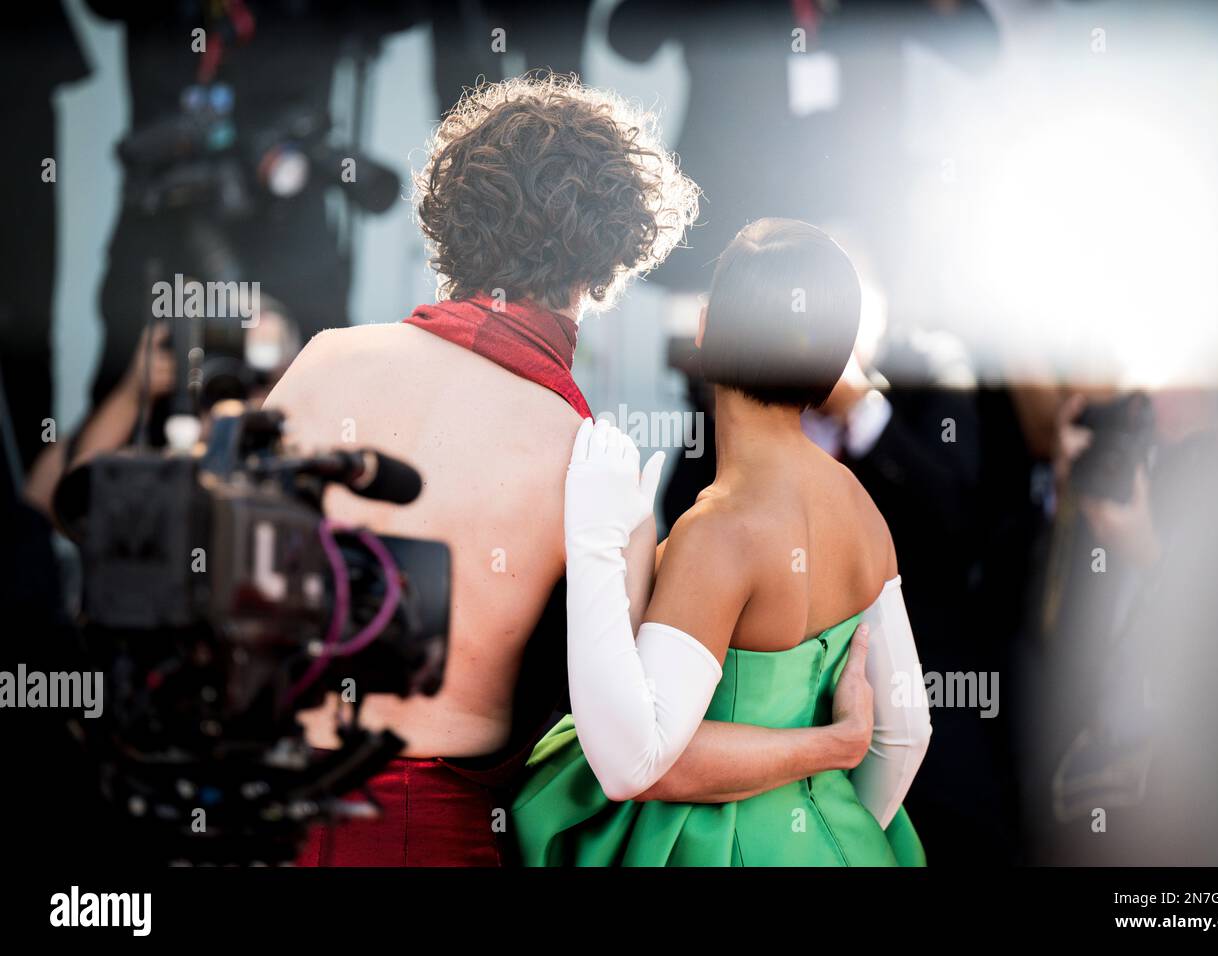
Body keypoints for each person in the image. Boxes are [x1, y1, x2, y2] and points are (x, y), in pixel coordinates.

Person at [265, 76, 884, 866]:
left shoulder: (324, 361)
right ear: (611, 261)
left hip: (257, 809)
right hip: (428, 829)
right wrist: (829, 745)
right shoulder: (590, 462)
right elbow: (637, 753)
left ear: (449, 223)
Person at [513, 219, 932, 866]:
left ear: (705, 329)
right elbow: (906, 733)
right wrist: (828, 825)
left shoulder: (718, 531)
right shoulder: (863, 511)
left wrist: (598, 544)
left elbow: (632, 763)